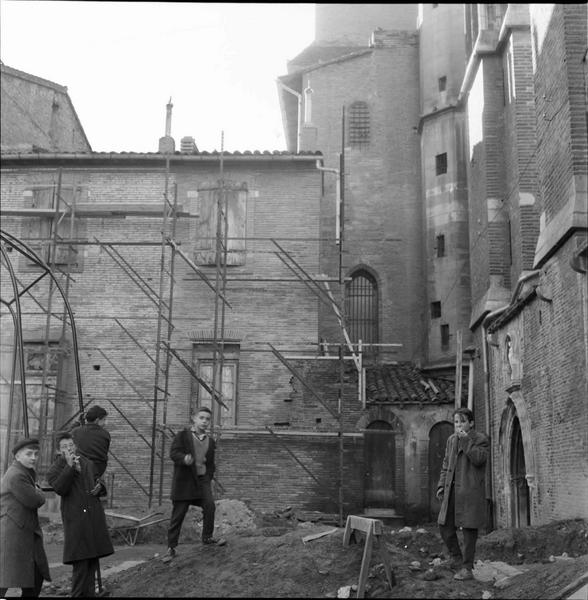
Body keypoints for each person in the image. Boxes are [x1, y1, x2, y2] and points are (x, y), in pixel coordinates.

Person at [47, 432, 114, 597]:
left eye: (71, 445)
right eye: (64, 447)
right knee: (80, 563)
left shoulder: (87, 463)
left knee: (92, 561)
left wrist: (101, 487)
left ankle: (89, 594)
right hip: (76, 520)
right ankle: (77, 594)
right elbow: (60, 488)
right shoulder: (55, 469)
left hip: (93, 518)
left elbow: (99, 480)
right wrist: (69, 468)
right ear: (58, 451)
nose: (69, 449)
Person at [163, 406, 226, 562]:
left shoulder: (210, 442)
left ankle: (207, 537)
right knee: (178, 514)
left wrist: (208, 476)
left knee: (210, 506)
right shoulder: (183, 436)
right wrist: (184, 458)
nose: (205, 422)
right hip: (184, 481)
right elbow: (174, 453)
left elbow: (210, 463)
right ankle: (171, 548)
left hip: (202, 480)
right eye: (202, 418)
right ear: (194, 419)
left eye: (208, 419)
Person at [436, 407, 489, 581]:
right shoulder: (451, 440)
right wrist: (441, 486)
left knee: (468, 529)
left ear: (471, 423)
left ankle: (467, 568)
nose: (459, 425)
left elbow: (479, 459)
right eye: (456, 422)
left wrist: (466, 441)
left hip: (469, 492)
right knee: (444, 526)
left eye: (463, 422)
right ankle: (457, 558)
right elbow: (445, 465)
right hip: (452, 491)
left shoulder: (480, 439)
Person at [0, 437, 51, 597]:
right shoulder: (17, 475)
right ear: (17, 456)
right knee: (8, 578)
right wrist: (39, 491)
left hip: (22, 531)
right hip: (15, 533)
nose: (33, 458)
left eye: (36, 454)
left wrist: (35, 489)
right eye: (29, 454)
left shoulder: (23, 472)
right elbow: (35, 500)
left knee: (32, 577)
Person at [72, 405, 110, 494]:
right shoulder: (105, 435)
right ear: (97, 420)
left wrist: (77, 424)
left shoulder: (76, 431)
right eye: (104, 420)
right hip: (96, 474)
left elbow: (64, 437)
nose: (105, 423)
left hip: (78, 473)